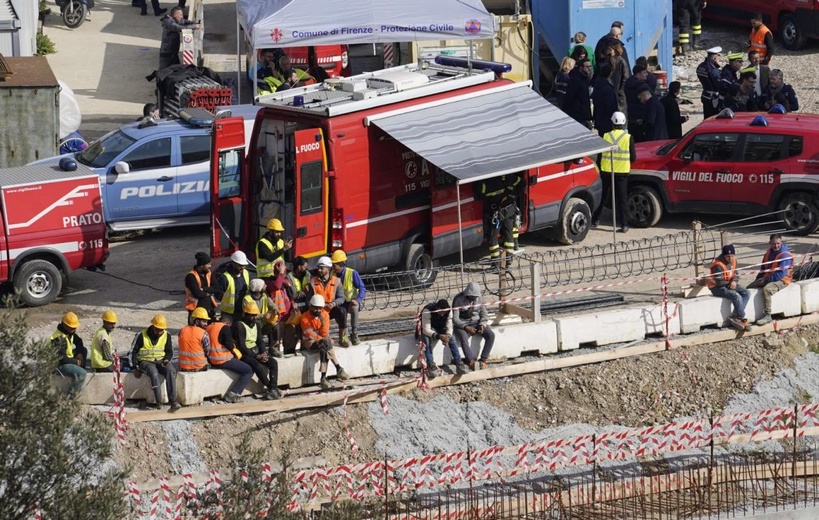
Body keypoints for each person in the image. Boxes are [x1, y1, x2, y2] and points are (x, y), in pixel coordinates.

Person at [592, 111, 636, 231]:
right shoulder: (628, 138)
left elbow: (600, 156)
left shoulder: (606, 136)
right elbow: (633, 157)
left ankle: (595, 220)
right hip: (622, 173)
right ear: (624, 123)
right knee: (622, 199)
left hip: (606, 171)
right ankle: (624, 224)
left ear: (612, 123)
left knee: (602, 197)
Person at [232, 301, 283, 400]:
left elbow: (260, 341)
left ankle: (273, 387)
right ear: (245, 314)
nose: (254, 318)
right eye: (251, 316)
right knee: (257, 366)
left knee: (273, 363)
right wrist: (256, 356)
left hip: (255, 351)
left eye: (255, 315)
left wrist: (263, 352)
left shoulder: (257, 325)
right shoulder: (240, 325)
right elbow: (242, 346)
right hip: (244, 353)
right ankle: (271, 388)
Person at [131, 315, 181, 411]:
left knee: (171, 371)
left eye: (161, 330)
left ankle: (173, 401)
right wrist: (134, 367)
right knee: (153, 373)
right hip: (146, 361)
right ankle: (158, 402)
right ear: (153, 326)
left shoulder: (167, 335)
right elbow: (133, 352)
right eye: (157, 329)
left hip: (161, 360)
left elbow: (170, 351)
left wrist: (166, 360)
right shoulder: (141, 335)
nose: (159, 332)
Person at [300, 295, 350, 390]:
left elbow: (325, 333)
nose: (318, 311)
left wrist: (323, 323)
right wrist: (325, 339)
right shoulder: (304, 318)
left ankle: (323, 377)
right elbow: (311, 335)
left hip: (322, 342)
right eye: (316, 308)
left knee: (324, 348)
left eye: (320, 308)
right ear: (311, 306)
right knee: (325, 342)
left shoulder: (325, 315)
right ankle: (338, 368)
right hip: (309, 342)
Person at [206, 315, 254, 403]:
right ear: (228, 323)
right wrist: (234, 348)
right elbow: (229, 345)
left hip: (211, 359)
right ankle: (233, 394)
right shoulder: (225, 327)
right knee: (248, 370)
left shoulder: (209, 327)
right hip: (222, 359)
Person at [747, 234, 793, 325]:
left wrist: (765, 281)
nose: (776, 246)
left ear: (781, 242)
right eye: (774, 244)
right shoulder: (768, 253)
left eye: (778, 243)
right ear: (770, 243)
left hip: (783, 280)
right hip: (769, 277)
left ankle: (767, 315)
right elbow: (763, 268)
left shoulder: (785, 256)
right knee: (749, 287)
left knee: (767, 289)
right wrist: (758, 279)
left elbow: (780, 274)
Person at [477, 173, 524, 261]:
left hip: (496, 213)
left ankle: (496, 263)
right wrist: (513, 195)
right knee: (508, 235)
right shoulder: (509, 177)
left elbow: (478, 194)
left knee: (492, 238)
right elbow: (522, 182)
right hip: (508, 211)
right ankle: (508, 261)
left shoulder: (487, 182)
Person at [707, 245, 752, 332]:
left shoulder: (734, 261)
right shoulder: (717, 265)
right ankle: (741, 317)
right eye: (728, 256)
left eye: (732, 256)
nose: (730, 258)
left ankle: (736, 316)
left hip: (729, 283)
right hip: (717, 287)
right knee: (736, 295)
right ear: (724, 256)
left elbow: (736, 274)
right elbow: (719, 282)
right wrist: (731, 284)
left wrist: (734, 281)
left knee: (746, 293)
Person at [420, 299, 471, 377]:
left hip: (441, 328)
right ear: (437, 308)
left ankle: (459, 363)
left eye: (444, 312)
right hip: (429, 329)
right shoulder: (427, 311)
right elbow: (426, 329)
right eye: (440, 312)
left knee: (452, 339)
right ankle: (430, 365)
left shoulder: (448, 311)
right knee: (427, 341)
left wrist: (447, 336)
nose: (442, 314)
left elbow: (449, 326)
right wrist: (438, 336)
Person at [306, 255, 348, 346]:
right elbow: (308, 300)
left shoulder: (336, 281)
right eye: (318, 268)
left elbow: (341, 297)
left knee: (342, 311)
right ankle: (324, 338)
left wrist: (333, 303)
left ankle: (343, 337)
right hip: (318, 310)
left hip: (330, 309)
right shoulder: (312, 281)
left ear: (328, 269)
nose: (319, 270)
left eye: (322, 268)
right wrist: (315, 308)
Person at [451, 282, 495, 371]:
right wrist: (466, 327)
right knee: (463, 338)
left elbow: (484, 314)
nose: (473, 298)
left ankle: (483, 360)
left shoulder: (480, 299)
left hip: (477, 322)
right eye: (472, 296)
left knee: (491, 335)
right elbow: (455, 319)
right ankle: (471, 361)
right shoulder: (458, 299)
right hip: (462, 324)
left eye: (475, 297)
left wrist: (482, 324)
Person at [331, 250, 366, 346]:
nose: (333, 267)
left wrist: (357, 300)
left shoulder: (352, 273)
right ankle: (343, 335)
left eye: (335, 265)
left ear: (342, 264)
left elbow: (362, 288)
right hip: (339, 303)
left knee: (354, 308)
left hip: (350, 302)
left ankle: (354, 334)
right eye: (333, 265)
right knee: (339, 313)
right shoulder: (332, 274)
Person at [53, 312, 87, 398]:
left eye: (74, 328)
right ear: (65, 325)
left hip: (66, 359)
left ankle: (77, 370)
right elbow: (61, 358)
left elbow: (79, 341)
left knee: (84, 350)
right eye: (71, 328)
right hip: (58, 364)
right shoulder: (59, 338)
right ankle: (71, 397)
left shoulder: (69, 333)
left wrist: (79, 353)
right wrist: (76, 361)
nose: (74, 330)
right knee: (82, 373)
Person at [247, 278, 282, 356]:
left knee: (275, 326)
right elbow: (250, 317)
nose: (265, 286)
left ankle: (272, 347)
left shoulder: (264, 296)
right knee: (257, 326)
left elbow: (271, 304)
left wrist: (275, 309)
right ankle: (260, 350)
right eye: (263, 286)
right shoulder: (247, 299)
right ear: (259, 288)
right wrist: (264, 316)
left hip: (263, 324)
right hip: (252, 325)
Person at [256, 218, 292, 292]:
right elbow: (270, 257)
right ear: (270, 231)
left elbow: (287, 259)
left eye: (280, 232)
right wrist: (284, 249)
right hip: (266, 278)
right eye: (277, 232)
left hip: (279, 276)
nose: (279, 234)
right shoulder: (262, 243)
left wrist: (287, 249)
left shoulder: (281, 242)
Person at [215, 250, 251, 324]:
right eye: (240, 265)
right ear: (233, 264)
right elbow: (218, 294)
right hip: (228, 313)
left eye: (243, 265)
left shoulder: (246, 273)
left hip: (243, 311)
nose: (242, 268)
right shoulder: (225, 277)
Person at [184, 252, 218, 323]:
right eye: (208, 264)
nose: (210, 266)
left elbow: (216, 288)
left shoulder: (208, 273)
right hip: (196, 312)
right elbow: (198, 294)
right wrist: (208, 293)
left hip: (209, 309)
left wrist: (204, 289)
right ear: (201, 265)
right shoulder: (191, 276)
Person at [561, 58, 593, 130]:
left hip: (583, 116)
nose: (589, 69)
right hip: (577, 116)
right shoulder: (575, 80)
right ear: (581, 67)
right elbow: (569, 97)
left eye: (590, 66)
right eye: (587, 67)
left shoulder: (584, 79)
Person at [178, 307, 211, 373]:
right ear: (197, 321)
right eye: (204, 321)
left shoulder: (182, 330)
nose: (206, 324)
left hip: (183, 366)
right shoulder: (204, 333)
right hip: (199, 366)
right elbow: (207, 352)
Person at [624, 63, 650, 142]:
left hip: (631, 116)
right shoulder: (642, 86)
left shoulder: (628, 83)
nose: (646, 74)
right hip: (640, 118)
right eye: (644, 73)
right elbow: (648, 100)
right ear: (638, 74)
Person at [592, 63, 618, 137]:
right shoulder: (607, 88)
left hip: (600, 118)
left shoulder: (598, 85)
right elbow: (610, 106)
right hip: (607, 121)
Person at [697, 46, 723, 118]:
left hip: (705, 95)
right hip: (713, 98)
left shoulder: (701, 66)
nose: (719, 58)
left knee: (706, 118)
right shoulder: (713, 69)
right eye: (718, 56)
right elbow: (718, 84)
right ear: (715, 58)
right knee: (714, 118)